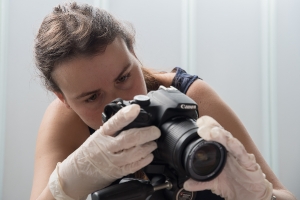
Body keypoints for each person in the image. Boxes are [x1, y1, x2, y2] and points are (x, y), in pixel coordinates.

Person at [30, 2, 295, 200]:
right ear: (63, 99)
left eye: (123, 77)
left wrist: (261, 195)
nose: (123, 103)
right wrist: (67, 183)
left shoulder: (190, 97)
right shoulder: (66, 123)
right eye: (92, 97)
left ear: (133, 53)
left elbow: (284, 195)